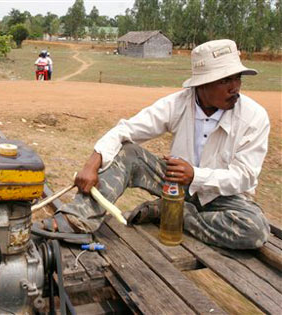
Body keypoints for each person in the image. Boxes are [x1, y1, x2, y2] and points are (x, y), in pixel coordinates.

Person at [37, 39, 270, 250]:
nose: (235, 87)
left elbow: (245, 176)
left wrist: (195, 175)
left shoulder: (254, 117)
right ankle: (77, 218)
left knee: (255, 231)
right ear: (202, 84)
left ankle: (170, 213)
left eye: (237, 78)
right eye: (225, 80)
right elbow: (126, 130)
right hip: (175, 184)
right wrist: (92, 161)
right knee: (129, 153)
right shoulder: (178, 104)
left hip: (224, 197)